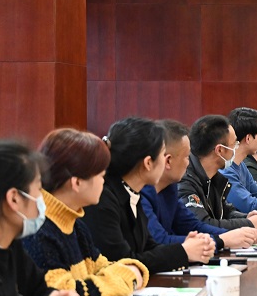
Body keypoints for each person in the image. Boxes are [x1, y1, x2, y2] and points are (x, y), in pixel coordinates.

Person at [0, 141, 89, 296]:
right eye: (39, 189)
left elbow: (40, 292)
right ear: (14, 198)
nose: (43, 200)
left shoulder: (12, 246)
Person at [22, 129, 150, 296]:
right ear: (77, 183)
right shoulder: (38, 231)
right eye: (101, 176)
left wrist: (130, 271)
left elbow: (107, 266)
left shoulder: (76, 226)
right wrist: (128, 278)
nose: (104, 181)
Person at [82, 117, 214, 274]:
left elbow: (149, 247)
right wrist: (183, 251)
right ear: (148, 163)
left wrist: (188, 247)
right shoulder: (103, 199)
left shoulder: (131, 192)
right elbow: (123, 262)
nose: (166, 161)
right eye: (163, 154)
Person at [141, 120, 257, 250]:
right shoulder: (142, 194)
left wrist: (232, 235)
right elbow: (159, 241)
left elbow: (192, 225)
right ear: (167, 160)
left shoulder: (170, 188)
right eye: (186, 157)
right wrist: (221, 240)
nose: (188, 163)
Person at [178, 114, 257, 232]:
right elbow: (202, 224)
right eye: (234, 144)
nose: (236, 148)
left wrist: (247, 217)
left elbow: (226, 212)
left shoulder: (215, 178)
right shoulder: (185, 181)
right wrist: (249, 223)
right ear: (219, 150)